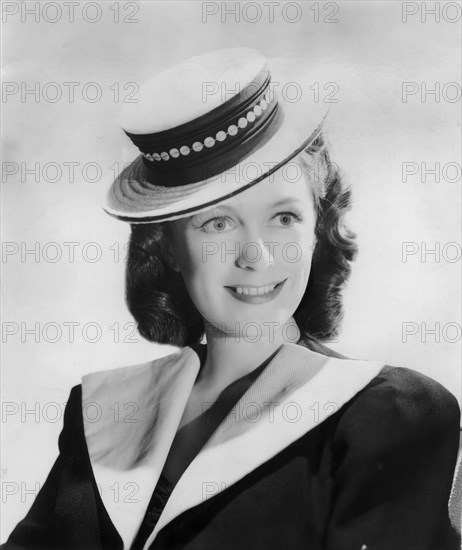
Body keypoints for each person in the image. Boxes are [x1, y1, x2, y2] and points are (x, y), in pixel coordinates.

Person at [2, 47, 460, 550]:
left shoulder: (393, 414)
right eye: (217, 223)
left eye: (283, 217)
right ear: (167, 247)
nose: (256, 256)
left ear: (317, 230)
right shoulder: (100, 409)